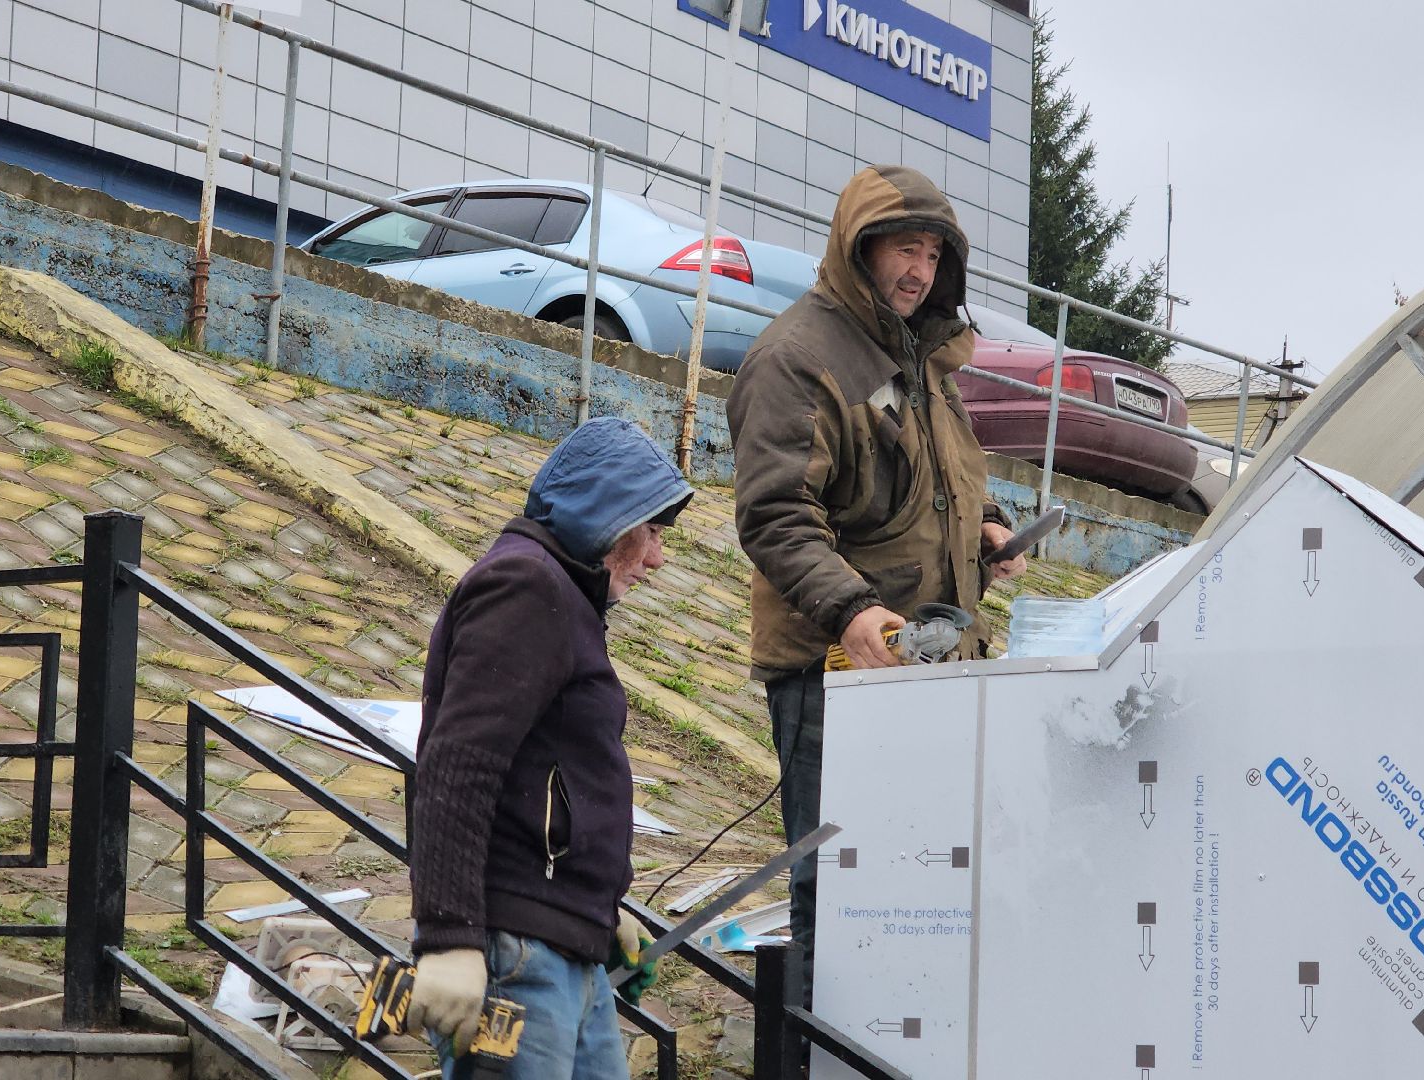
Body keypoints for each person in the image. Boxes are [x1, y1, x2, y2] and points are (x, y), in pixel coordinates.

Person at [725, 164, 1028, 1002]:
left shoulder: (924, 354)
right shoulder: (795, 358)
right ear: (857, 249)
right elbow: (776, 515)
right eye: (903, 249)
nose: (918, 271)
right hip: (840, 674)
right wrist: (851, 610)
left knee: (917, 882)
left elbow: (946, 476)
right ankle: (823, 1054)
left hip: (936, 663)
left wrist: (992, 527)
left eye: (932, 255)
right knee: (838, 890)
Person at [405, 416, 692, 1079]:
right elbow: (457, 765)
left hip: (559, 950)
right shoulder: (528, 588)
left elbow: (544, 776)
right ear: (606, 517)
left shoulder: (557, 594)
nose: (658, 557)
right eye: (651, 531)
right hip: (516, 957)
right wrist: (449, 937)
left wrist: (597, 911)